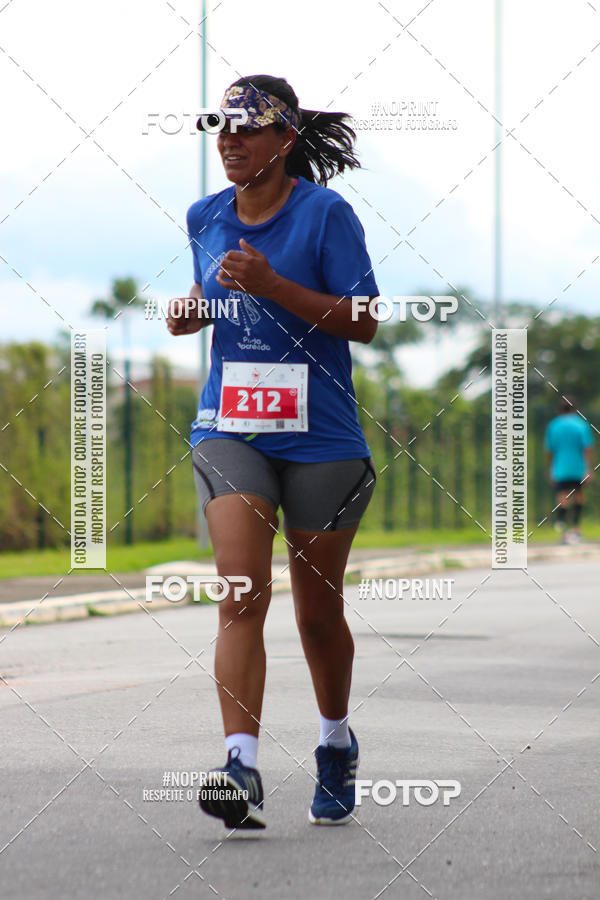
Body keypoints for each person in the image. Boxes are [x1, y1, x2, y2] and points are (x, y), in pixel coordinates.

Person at [167, 74, 379, 829]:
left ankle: (333, 743)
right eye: (219, 129)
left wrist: (274, 284)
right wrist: (194, 312)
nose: (228, 141)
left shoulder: (325, 215)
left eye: (246, 129)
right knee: (241, 593)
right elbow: (217, 299)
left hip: (322, 439)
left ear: (284, 139)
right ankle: (241, 766)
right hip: (232, 430)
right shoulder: (204, 216)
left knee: (318, 615)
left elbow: (364, 321)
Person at [544, 395, 594, 544]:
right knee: (579, 495)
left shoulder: (553, 425)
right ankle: (576, 530)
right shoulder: (581, 425)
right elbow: (587, 448)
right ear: (575, 409)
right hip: (578, 468)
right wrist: (588, 468)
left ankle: (563, 531)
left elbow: (549, 450)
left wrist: (549, 468)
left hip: (560, 468)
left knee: (562, 497)